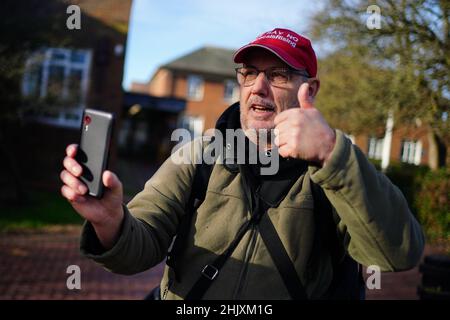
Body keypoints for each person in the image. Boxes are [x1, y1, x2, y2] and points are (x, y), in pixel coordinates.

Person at [60, 28, 424, 300]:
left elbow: (397, 253)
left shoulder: (338, 170)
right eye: (249, 72)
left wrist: (332, 156)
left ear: (309, 90)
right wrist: (111, 222)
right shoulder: (197, 155)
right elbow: (139, 249)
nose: (258, 87)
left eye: (278, 75)